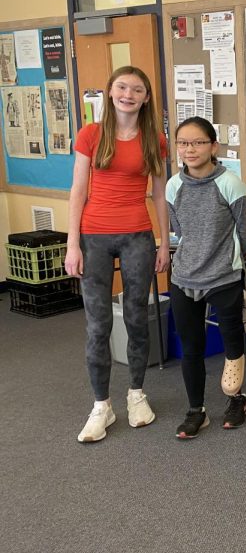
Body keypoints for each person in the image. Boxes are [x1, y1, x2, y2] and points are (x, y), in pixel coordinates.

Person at [65, 66, 169, 443]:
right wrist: (71, 243)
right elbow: (78, 191)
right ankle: (101, 406)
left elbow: (159, 194)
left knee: (137, 318)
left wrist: (162, 243)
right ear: (110, 92)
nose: (128, 94)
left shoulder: (154, 140)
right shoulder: (90, 135)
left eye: (137, 89)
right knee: (98, 325)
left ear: (145, 98)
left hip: (138, 236)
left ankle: (136, 394)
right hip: (93, 237)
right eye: (122, 87)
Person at [166, 117, 246, 439]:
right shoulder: (173, 186)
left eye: (198, 142)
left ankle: (236, 400)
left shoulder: (230, 183)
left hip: (223, 277)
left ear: (213, 146)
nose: (190, 149)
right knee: (191, 347)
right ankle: (196, 411)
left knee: (233, 342)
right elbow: (180, 230)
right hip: (184, 277)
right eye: (183, 143)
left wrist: (229, 261)